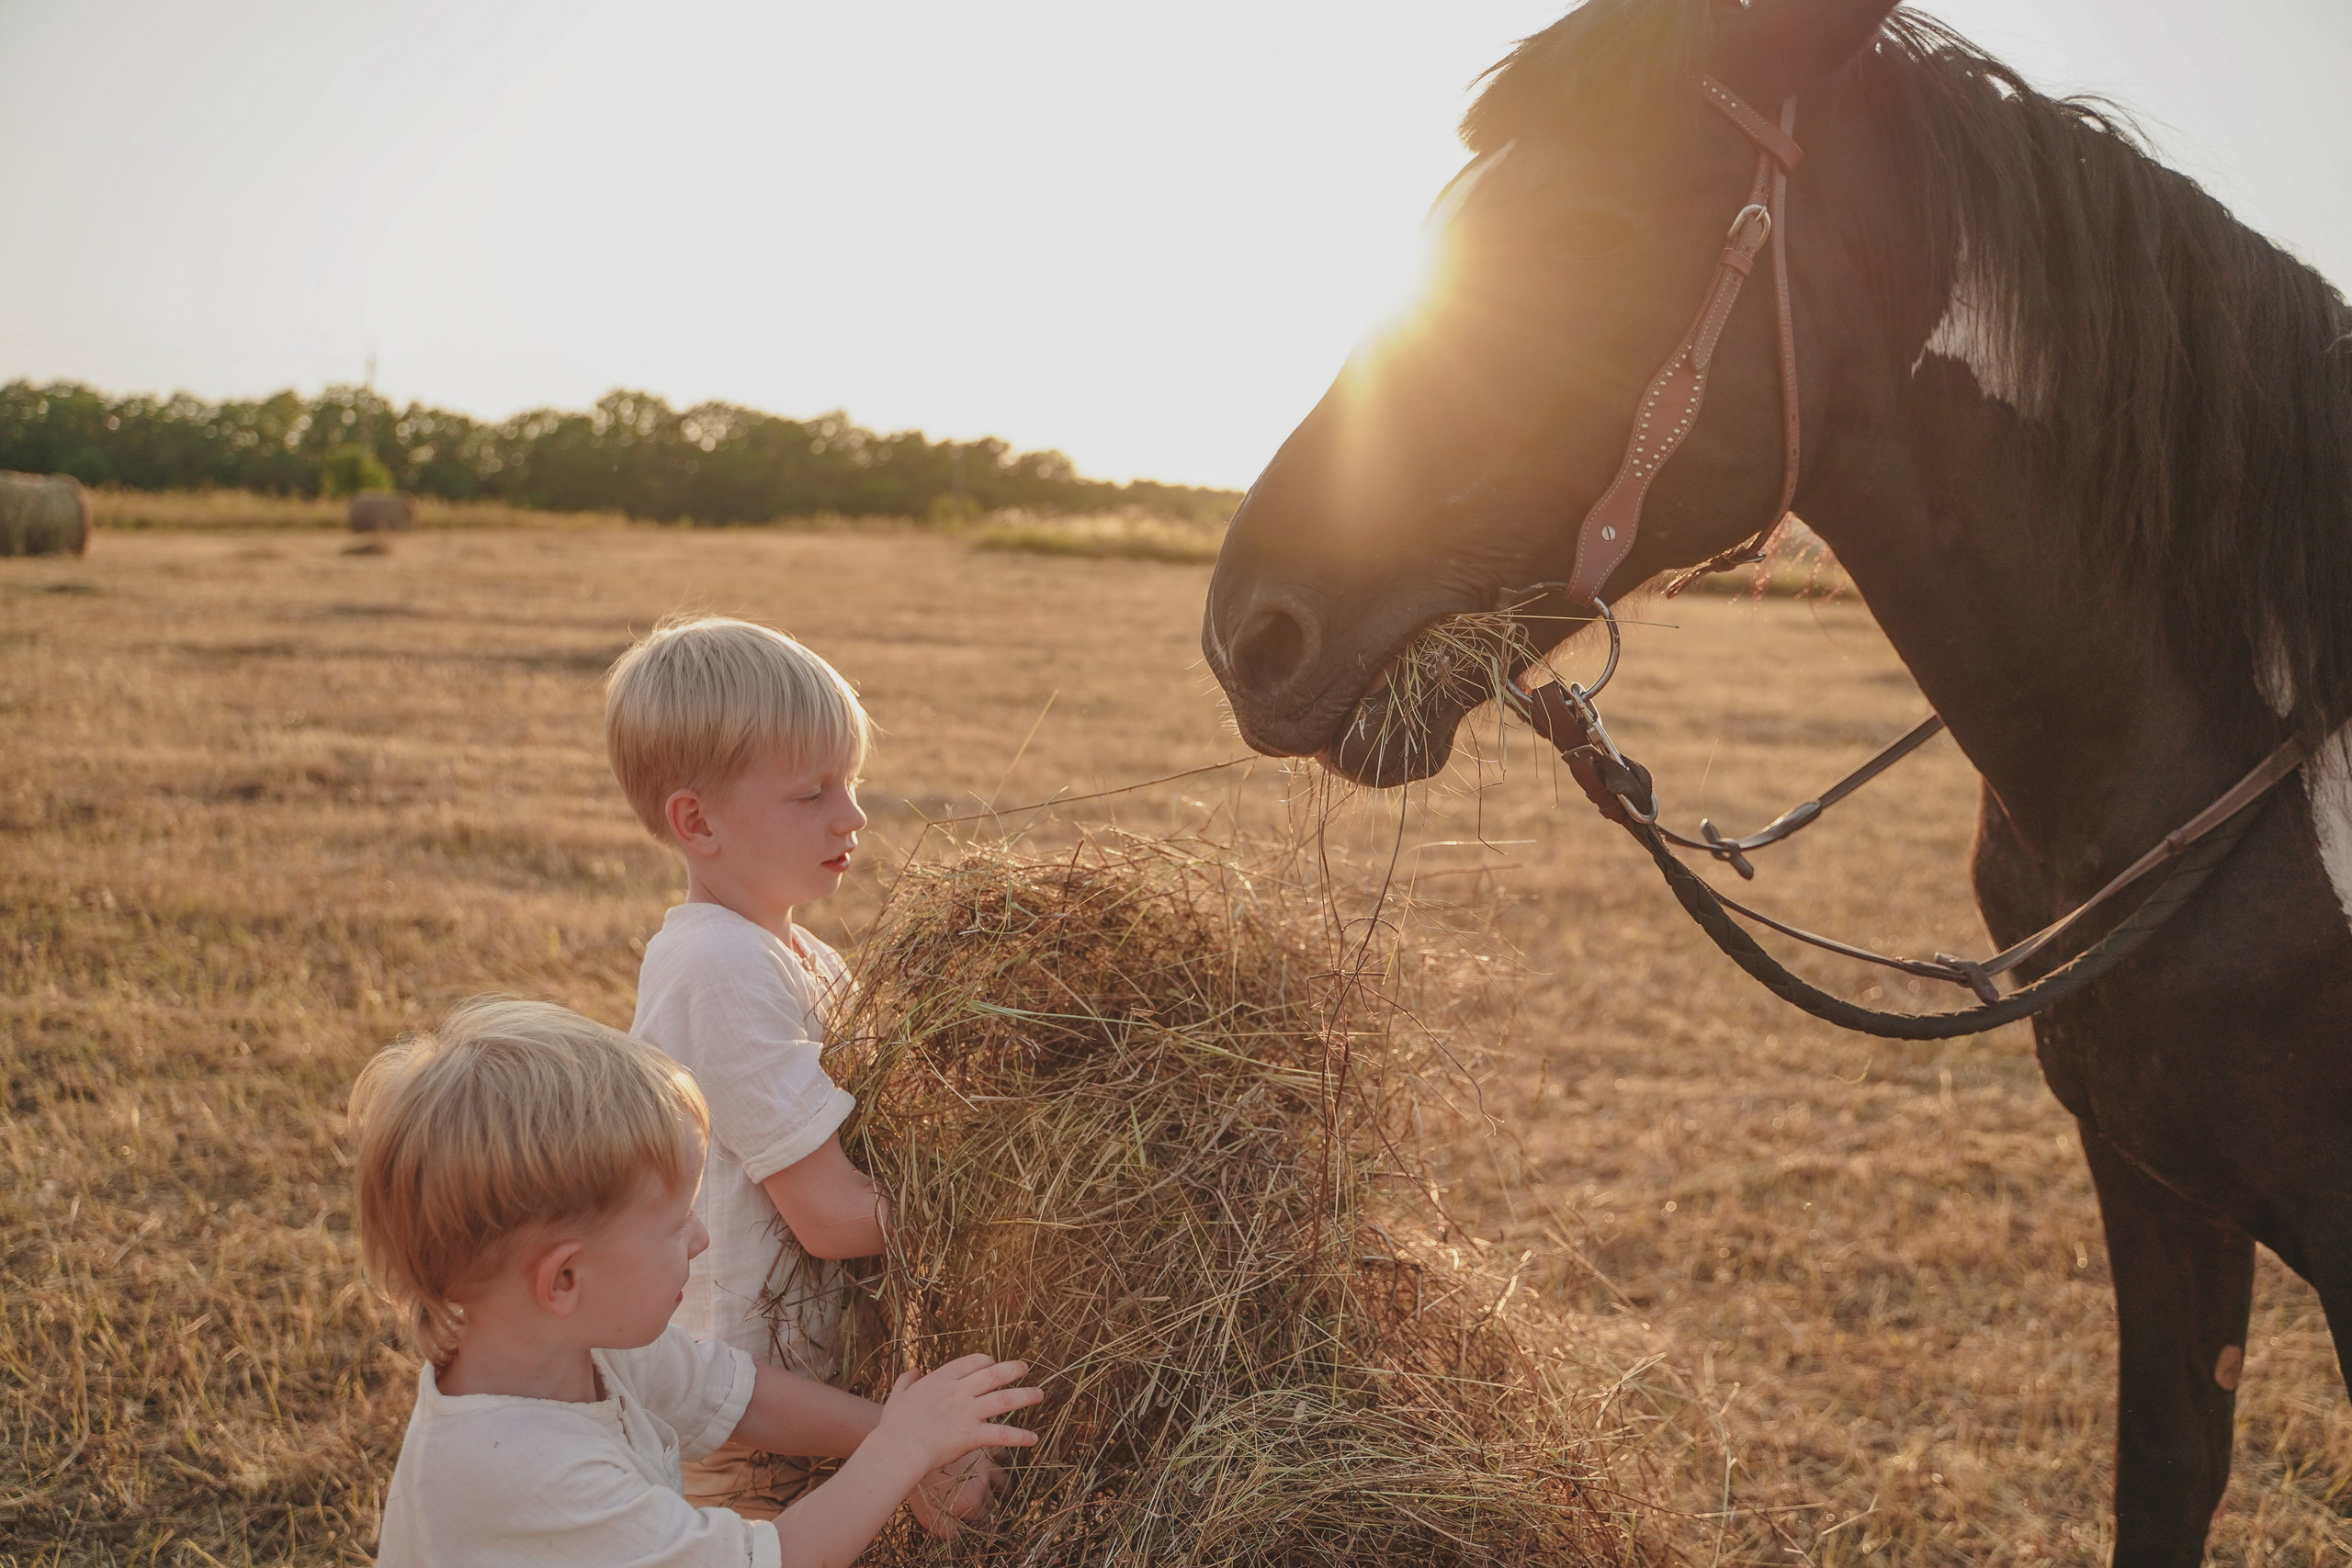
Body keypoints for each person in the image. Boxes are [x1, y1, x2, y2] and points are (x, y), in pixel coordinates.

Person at [353, 998, 1042, 1566]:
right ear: (563, 1278)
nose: (700, 1238)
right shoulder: (518, 1474)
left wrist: (897, 1431)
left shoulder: (568, 1348)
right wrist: (903, 1449)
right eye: (674, 1224)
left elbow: (737, 1397)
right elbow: (773, 1560)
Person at [603, 615, 925, 1517]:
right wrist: (1010, 1215)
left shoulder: (802, 957)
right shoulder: (717, 966)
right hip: (746, 1428)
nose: (852, 815)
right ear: (697, 820)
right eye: (812, 793)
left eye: (852, 782)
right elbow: (829, 1216)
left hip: (813, 1392)